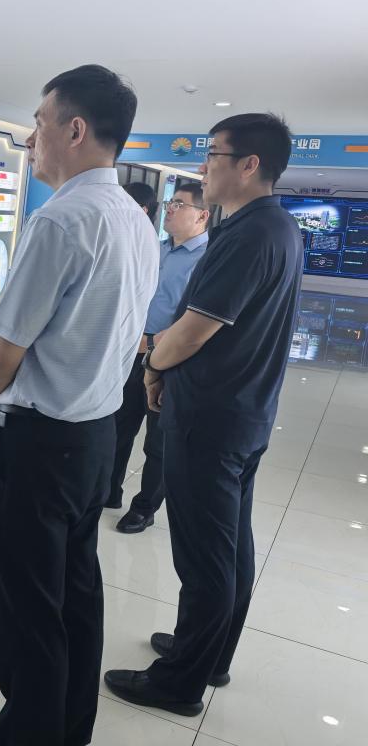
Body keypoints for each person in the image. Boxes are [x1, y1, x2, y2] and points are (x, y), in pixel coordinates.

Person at [0, 64, 158, 746]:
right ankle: (72, 728)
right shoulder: (136, 220)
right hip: (96, 437)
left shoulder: (60, 220)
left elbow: (3, 351)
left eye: (39, 123)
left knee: (27, 611)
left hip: (39, 445)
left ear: (75, 129)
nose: (31, 139)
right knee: (77, 592)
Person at [104, 113, 302, 716]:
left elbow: (193, 330)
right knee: (229, 546)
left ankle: (178, 682)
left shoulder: (247, 235)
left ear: (249, 164)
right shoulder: (276, 227)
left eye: (213, 153)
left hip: (211, 418)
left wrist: (153, 364)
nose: (203, 165)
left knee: (205, 557)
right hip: (243, 414)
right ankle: (209, 653)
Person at [107, 182, 210, 533]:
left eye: (179, 205)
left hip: (171, 360)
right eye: (170, 203)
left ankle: (145, 507)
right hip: (131, 352)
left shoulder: (207, 260)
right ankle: (108, 490)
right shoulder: (155, 247)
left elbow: (194, 322)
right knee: (118, 425)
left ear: (202, 215)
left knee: (159, 441)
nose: (170, 210)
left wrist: (151, 343)